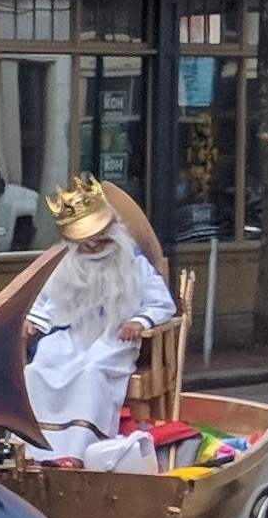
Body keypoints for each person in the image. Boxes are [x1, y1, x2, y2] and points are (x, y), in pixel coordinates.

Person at [23, 174, 176, 458]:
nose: (93, 248)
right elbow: (49, 301)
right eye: (86, 243)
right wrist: (34, 321)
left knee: (91, 373)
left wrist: (139, 322)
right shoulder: (69, 264)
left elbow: (161, 303)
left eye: (100, 241)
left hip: (114, 336)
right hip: (73, 333)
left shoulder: (133, 262)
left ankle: (80, 451)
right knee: (38, 367)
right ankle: (38, 453)